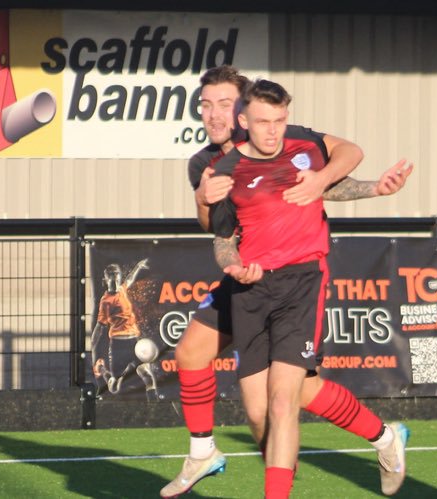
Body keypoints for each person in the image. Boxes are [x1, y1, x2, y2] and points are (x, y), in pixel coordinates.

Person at [162, 66, 413, 498]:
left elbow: (331, 171)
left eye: (224, 103)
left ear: (242, 108)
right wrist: (204, 198)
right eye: (206, 105)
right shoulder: (209, 163)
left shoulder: (288, 137)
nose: (214, 114)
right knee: (262, 402)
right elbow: (215, 229)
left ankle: (272, 477)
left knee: (284, 400)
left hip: (295, 277)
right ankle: (381, 437)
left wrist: (359, 186)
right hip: (245, 278)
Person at [90, 259, 157, 399]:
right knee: (114, 388)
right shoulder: (106, 301)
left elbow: (130, 279)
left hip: (134, 342)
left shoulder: (122, 289)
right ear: (107, 278)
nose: (115, 277)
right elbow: (100, 326)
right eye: (112, 274)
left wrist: (138, 266)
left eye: (117, 274)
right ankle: (102, 369)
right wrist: (93, 344)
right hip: (118, 345)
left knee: (148, 376)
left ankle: (155, 412)